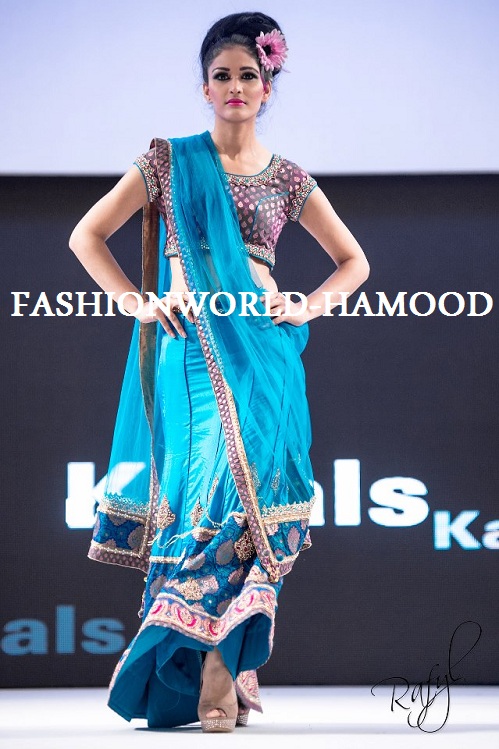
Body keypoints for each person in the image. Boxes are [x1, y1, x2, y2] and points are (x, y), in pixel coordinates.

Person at [69, 10, 369, 733]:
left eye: (248, 75)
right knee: (205, 495)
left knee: (254, 498)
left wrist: (306, 307)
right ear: (205, 88)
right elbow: (87, 235)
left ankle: (220, 663)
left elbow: (353, 262)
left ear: (267, 87)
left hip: (264, 358)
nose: (235, 86)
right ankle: (209, 658)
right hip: (192, 356)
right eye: (221, 75)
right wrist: (140, 303)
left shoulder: (287, 178)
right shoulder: (169, 163)